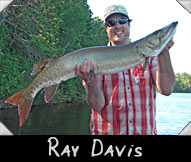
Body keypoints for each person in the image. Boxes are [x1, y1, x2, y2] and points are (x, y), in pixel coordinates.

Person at [75, 4, 175, 135]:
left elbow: (166, 89)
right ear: (106, 28)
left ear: (129, 24)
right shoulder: (95, 60)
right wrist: (91, 83)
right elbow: (97, 105)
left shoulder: (150, 58)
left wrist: (164, 52)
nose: (117, 26)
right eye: (111, 23)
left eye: (122, 21)